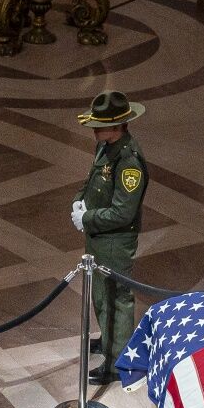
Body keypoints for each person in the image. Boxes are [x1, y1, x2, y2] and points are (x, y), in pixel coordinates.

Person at [70, 90, 147, 383]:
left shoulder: (129, 162)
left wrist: (87, 218)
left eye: (98, 125)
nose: (93, 130)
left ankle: (118, 361)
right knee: (102, 296)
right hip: (100, 236)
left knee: (117, 299)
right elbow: (91, 180)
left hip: (115, 240)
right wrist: (80, 200)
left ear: (116, 126)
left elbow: (123, 213)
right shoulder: (105, 148)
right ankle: (108, 341)